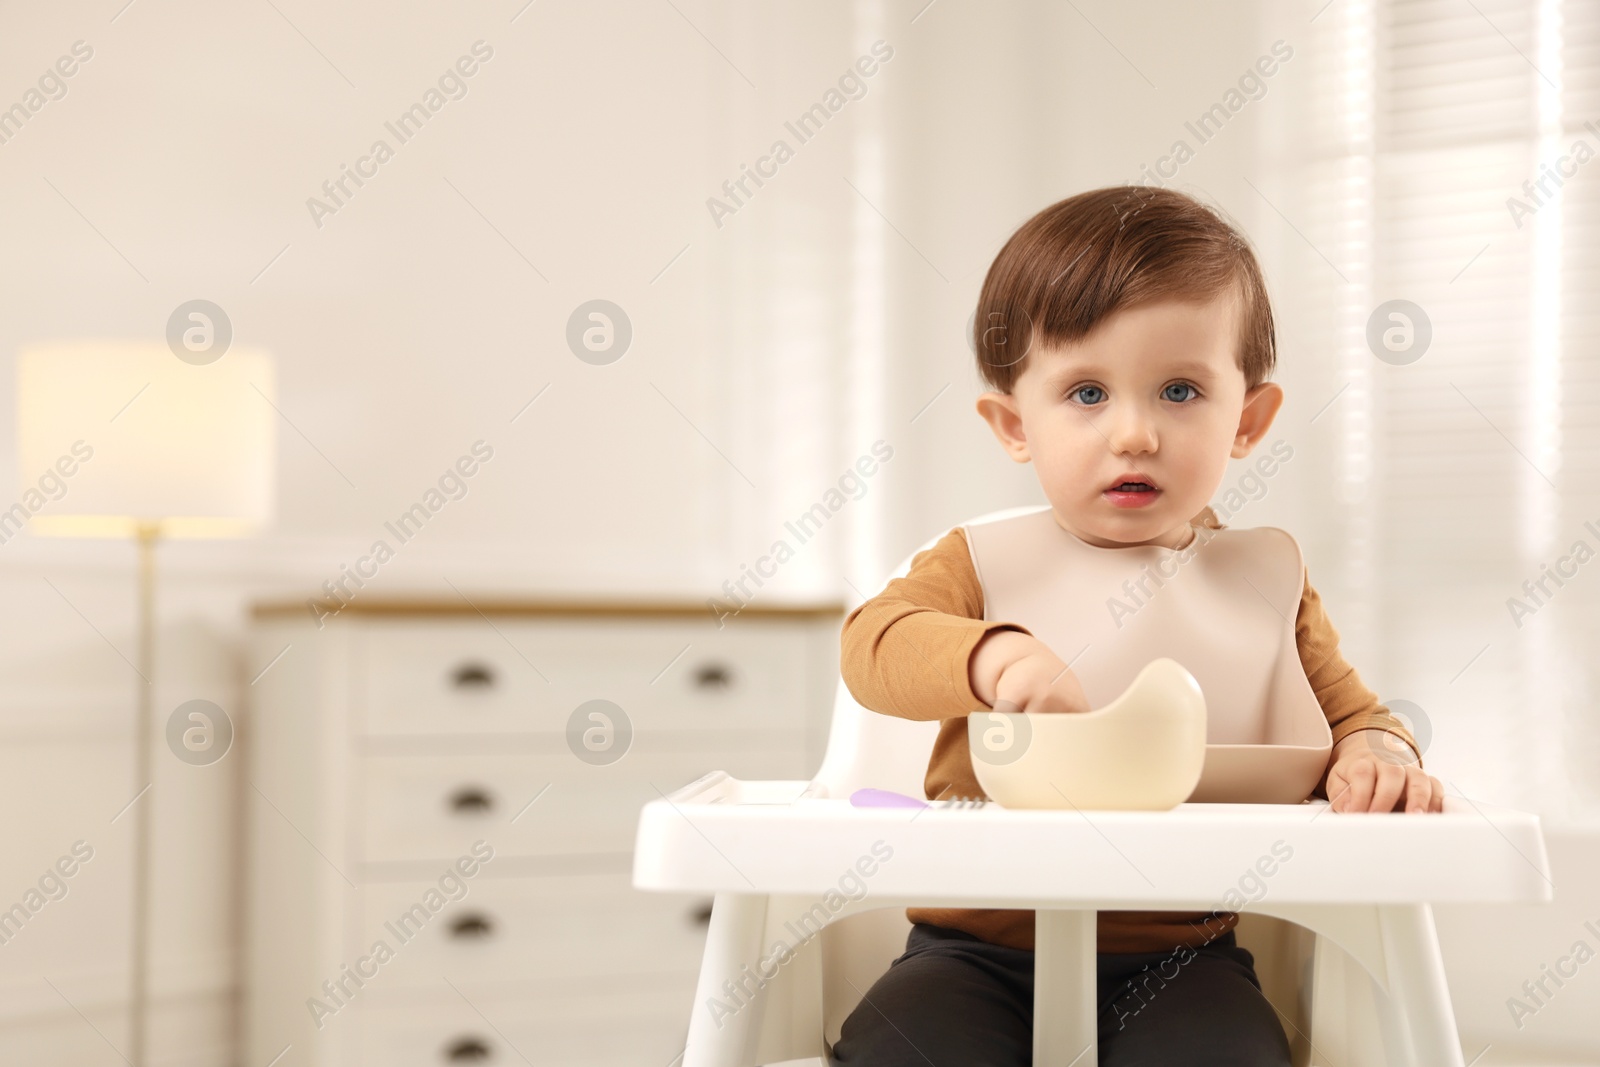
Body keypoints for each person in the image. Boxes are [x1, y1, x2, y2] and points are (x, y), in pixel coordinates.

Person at [829, 185, 1444, 1066]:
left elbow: (1355, 714)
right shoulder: (976, 564)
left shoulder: (1267, 581)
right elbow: (871, 646)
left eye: (1181, 390)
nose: (1134, 433)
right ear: (1014, 425)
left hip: (1181, 953)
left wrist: (1379, 756)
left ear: (1249, 420)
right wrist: (991, 655)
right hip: (977, 949)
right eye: (1085, 392)